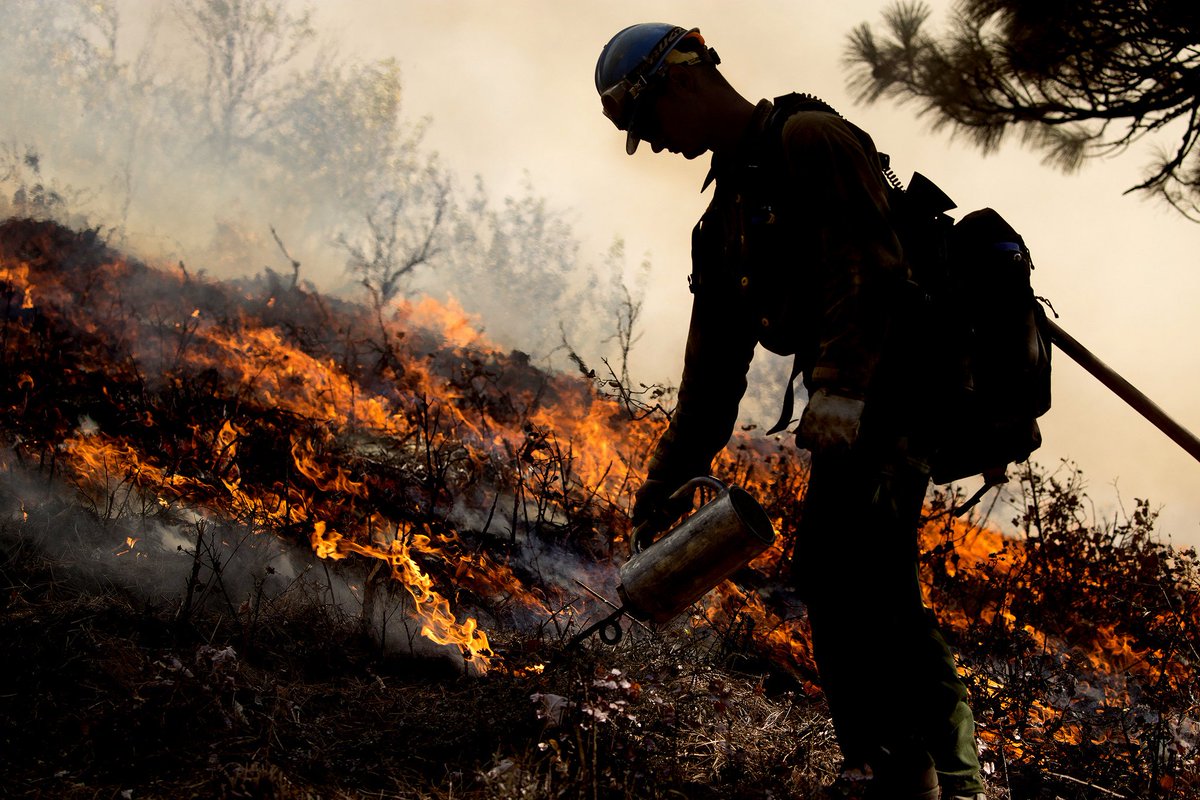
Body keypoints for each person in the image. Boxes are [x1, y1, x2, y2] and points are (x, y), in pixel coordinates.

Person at [594, 23, 988, 800]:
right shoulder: (724, 224)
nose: (659, 145)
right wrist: (656, 498)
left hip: (900, 392)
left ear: (680, 81)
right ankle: (897, 767)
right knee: (850, 571)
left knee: (851, 568)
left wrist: (839, 388)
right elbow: (710, 386)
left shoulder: (813, 141)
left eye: (651, 124)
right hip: (849, 412)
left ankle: (934, 775)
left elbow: (868, 269)